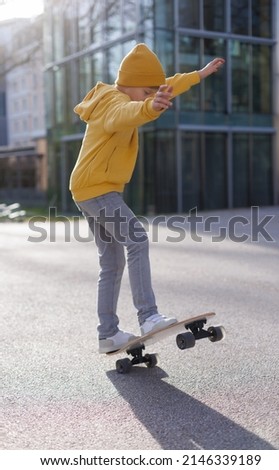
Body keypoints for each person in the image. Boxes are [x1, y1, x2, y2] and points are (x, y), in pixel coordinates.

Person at [70, 43, 225, 353]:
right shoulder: (111, 102)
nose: (150, 99)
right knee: (137, 239)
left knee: (111, 263)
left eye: (153, 95)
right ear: (128, 85)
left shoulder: (129, 92)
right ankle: (149, 316)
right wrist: (148, 109)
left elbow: (164, 87)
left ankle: (108, 334)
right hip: (98, 188)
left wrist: (199, 75)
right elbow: (123, 115)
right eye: (145, 93)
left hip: (88, 188)